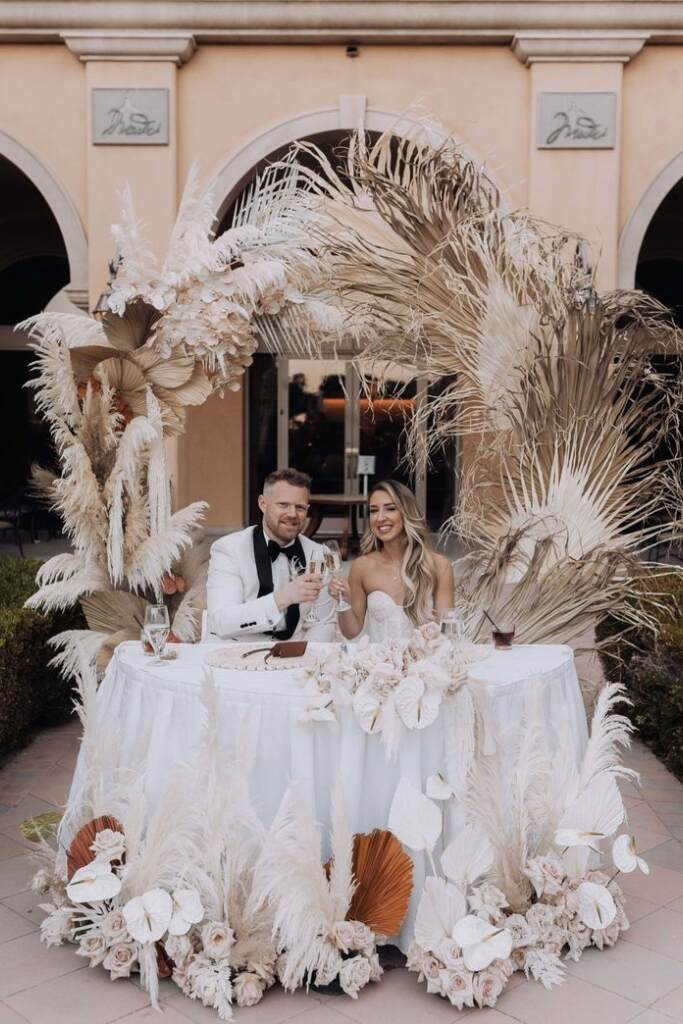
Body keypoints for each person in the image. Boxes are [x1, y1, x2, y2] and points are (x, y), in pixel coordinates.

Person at [206, 468, 335, 641]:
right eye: (283, 505)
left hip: (296, 660)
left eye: (300, 507)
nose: (292, 514)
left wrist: (305, 661)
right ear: (262, 503)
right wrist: (283, 597)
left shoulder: (319, 554)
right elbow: (221, 622)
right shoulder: (228, 550)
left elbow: (323, 624)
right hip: (236, 657)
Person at [327, 479, 454, 640]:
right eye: (373, 511)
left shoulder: (438, 566)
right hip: (380, 663)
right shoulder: (362, 567)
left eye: (390, 509)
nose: (380, 518)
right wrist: (342, 601)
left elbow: (447, 632)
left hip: (425, 662)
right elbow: (351, 632)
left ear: (406, 513)